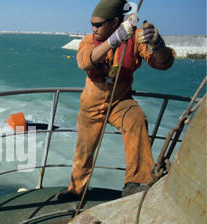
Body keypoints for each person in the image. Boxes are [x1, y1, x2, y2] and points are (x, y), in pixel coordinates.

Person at [56, 0, 175, 201]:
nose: (94, 28)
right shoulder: (88, 41)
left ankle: (134, 183)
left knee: (137, 120)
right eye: (92, 23)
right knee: (84, 149)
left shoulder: (134, 39)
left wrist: (158, 45)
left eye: (99, 24)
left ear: (115, 22)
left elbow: (162, 64)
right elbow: (84, 61)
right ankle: (76, 189)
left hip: (120, 101)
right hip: (92, 103)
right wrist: (113, 41)